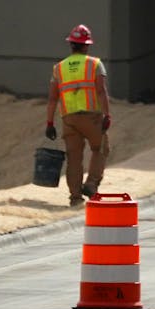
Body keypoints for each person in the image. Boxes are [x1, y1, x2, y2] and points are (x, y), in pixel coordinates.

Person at [43, 24, 111, 206]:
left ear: (71, 44)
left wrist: (50, 123)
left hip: (69, 119)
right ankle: (91, 184)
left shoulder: (59, 68)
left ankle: (75, 198)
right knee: (100, 148)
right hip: (92, 117)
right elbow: (101, 92)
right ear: (86, 45)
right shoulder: (95, 64)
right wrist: (107, 115)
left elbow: (52, 99)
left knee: (74, 158)